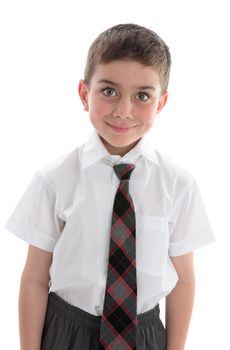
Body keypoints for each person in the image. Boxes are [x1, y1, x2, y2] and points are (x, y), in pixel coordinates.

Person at [5, 23, 215, 350]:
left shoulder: (178, 184)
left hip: (145, 334)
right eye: (109, 91)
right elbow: (34, 279)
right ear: (84, 94)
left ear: (160, 103)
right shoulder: (55, 179)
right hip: (68, 331)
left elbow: (184, 280)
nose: (123, 111)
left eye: (142, 95)